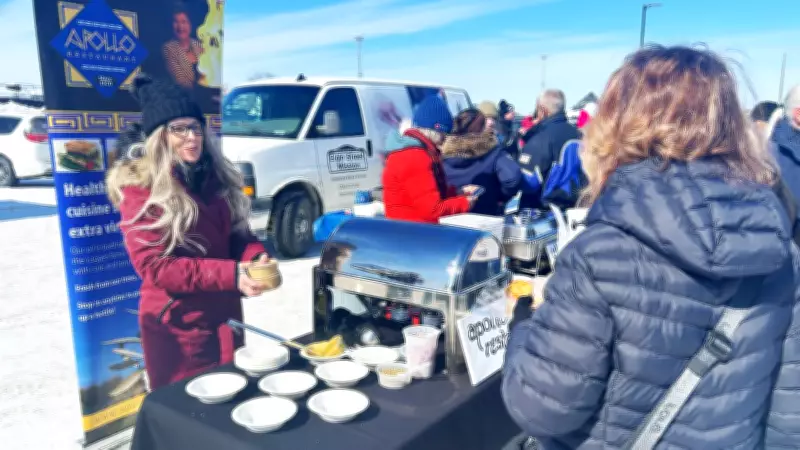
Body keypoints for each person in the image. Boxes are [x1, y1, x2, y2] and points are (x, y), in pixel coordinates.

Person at [502, 45, 800, 449]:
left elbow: (540, 407)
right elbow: (788, 423)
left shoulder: (601, 252)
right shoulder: (784, 254)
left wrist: (524, 322)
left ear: (620, 123)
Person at [106, 74, 270, 390]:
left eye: (195, 127)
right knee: (186, 418)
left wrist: (256, 257)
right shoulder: (141, 189)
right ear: (158, 137)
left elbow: (237, 234)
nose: (191, 136)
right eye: (178, 129)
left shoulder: (216, 178)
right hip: (178, 325)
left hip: (224, 315)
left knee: (229, 399)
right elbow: (155, 267)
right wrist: (232, 275)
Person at [382, 95, 475, 223]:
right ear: (436, 129)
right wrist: (465, 203)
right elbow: (432, 210)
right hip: (414, 234)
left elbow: (427, 195)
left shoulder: (415, 152)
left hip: (408, 230)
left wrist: (458, 193)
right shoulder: (414, 156)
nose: (445, 138)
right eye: (444, 134)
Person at [441, 109, 522, 216]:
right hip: (487, 216)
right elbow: (512, 178)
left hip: (451, 217)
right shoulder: (493, 151)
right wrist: (499, 197)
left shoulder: (441, 153)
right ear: (482, 128)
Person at [517, 89, 580, 209]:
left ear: (542, 110)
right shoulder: (580, 135)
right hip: (576, 210)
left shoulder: (540, 138)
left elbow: (529, 182)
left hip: (544, 212)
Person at [163, 6, 203, 89]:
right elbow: (181, 83)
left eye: (184, 22)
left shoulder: (200, 46)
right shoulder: (169, 49)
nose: (180, 27)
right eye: (176, 22)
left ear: (190, 25)